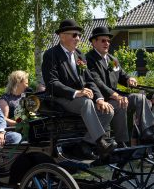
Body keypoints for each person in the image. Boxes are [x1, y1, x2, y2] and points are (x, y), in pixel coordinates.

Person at [41, 19, 116, 157]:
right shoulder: (51, 54)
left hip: (81, 99)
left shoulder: (79, 54)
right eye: (74, 35)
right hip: (60, 98)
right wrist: (76, 92)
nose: (78, 38)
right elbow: (52, 83)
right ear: (62, 36)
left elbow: (89, 80)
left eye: (79, 35)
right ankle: (100, 141)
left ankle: (85, 144)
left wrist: (99, 99)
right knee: (86, 103)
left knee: (108, 110)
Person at [85, 25, 154, 146]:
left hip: (116, 96)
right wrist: (115, 95)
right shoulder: (88, 59)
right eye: (103, 40)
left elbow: (122, 75)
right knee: (120, 103)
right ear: (93, 42)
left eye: (108, 41)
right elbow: (97, 82)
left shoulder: (113, 59)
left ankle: (147, 132)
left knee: (140, 98)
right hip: (102, 99)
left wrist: (129, 79)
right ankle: (122, 141)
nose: (107, 43)